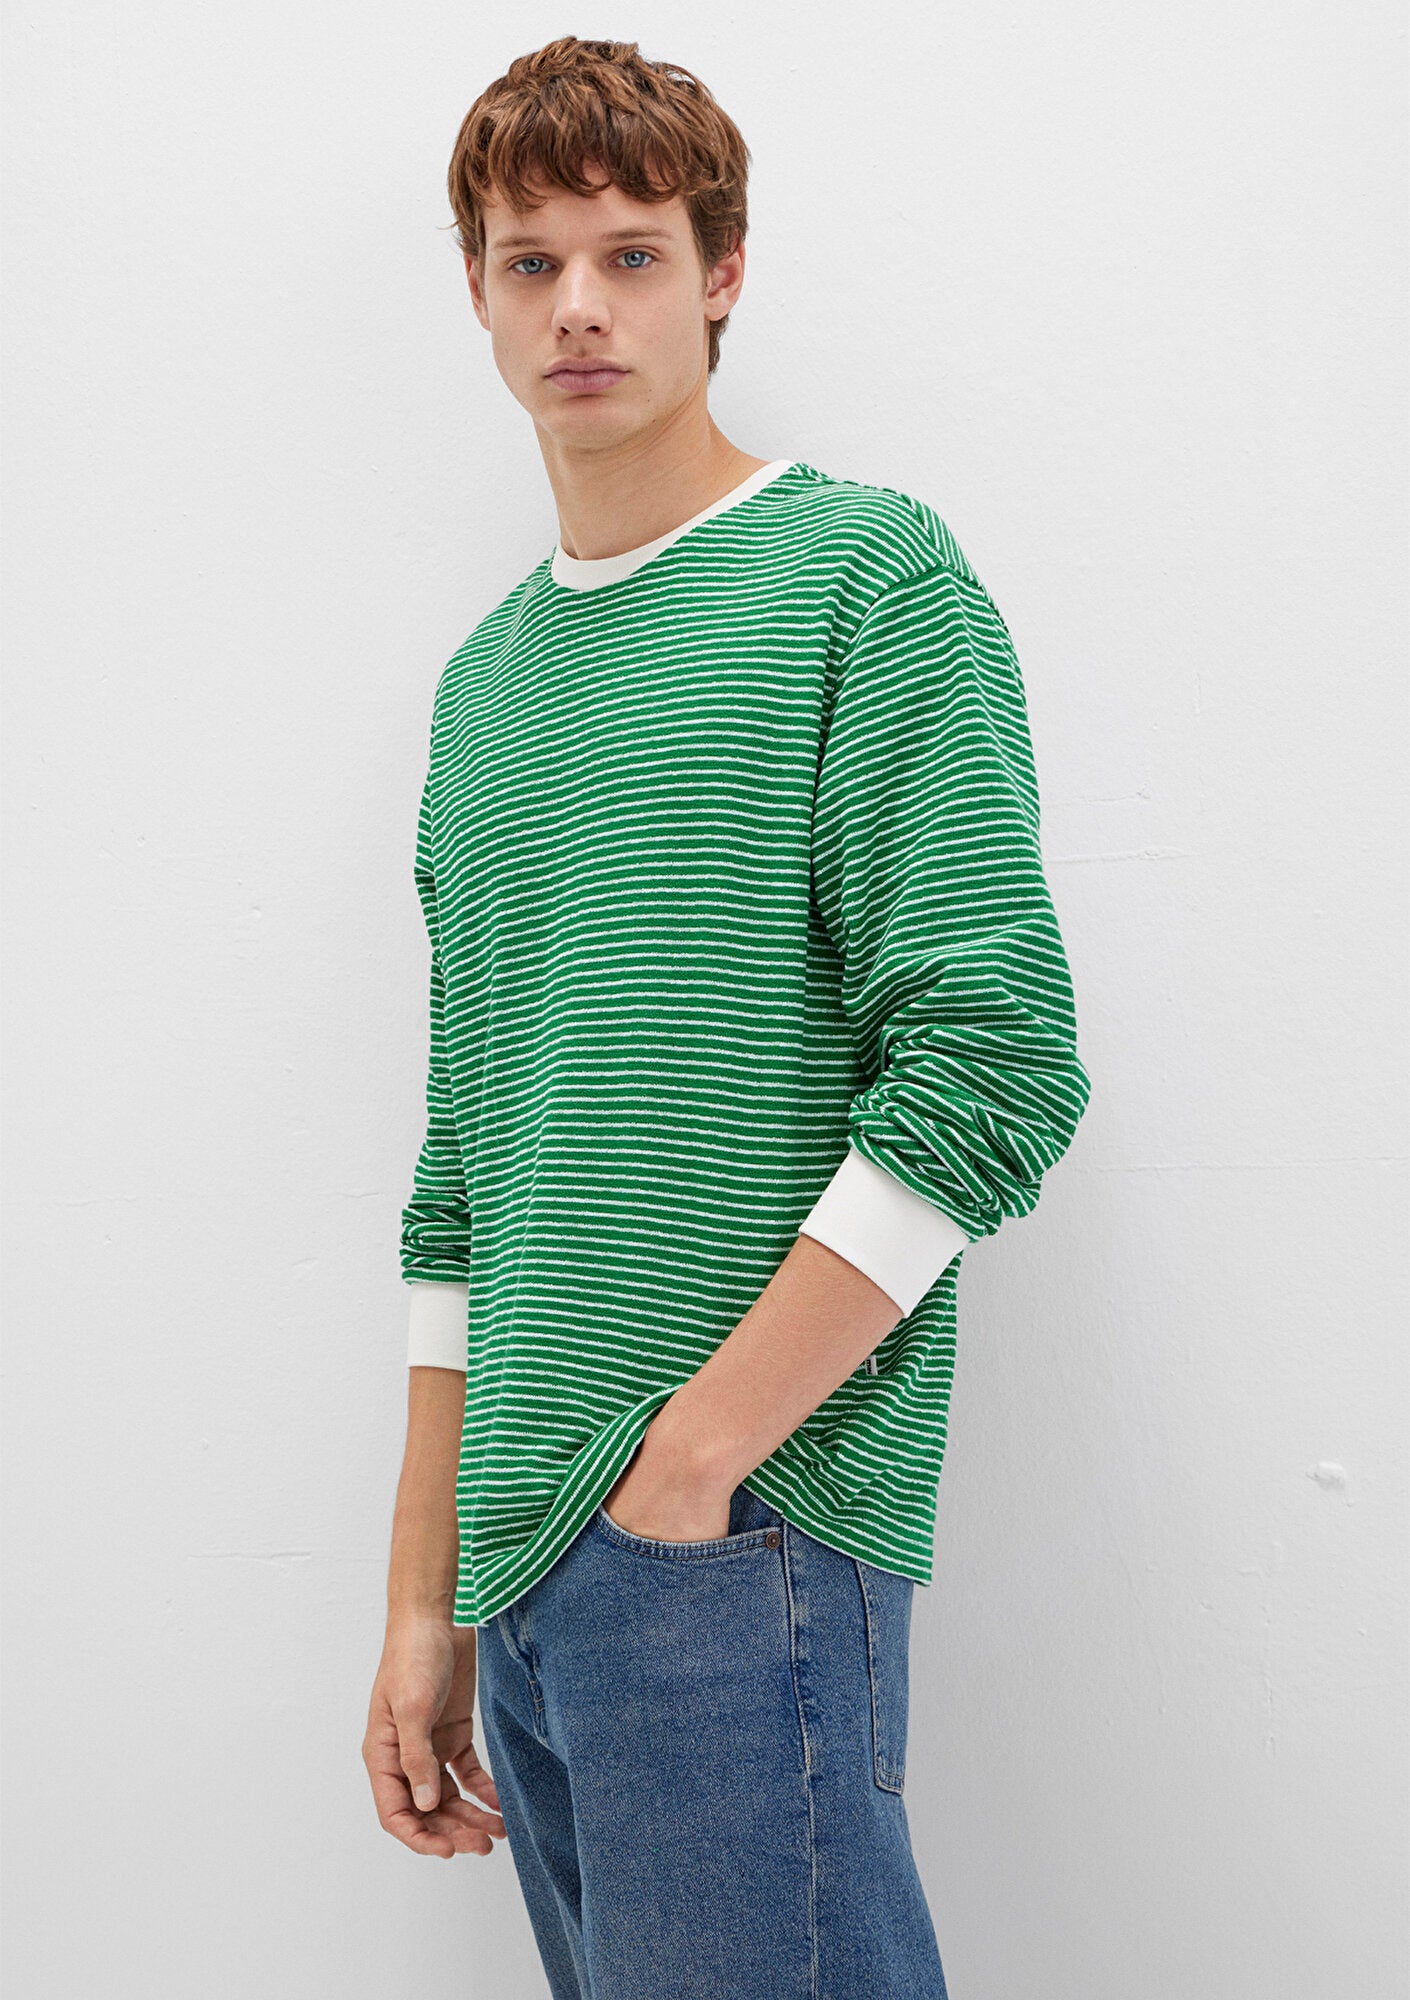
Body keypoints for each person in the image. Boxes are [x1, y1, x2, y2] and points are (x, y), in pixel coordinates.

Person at [362, 34, 1091, 2000]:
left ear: (723, 273)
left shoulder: (860, 577)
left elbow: (994, 1059)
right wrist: (424, 1596)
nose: (579, 308)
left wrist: (694, 1464)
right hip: (527, 1556)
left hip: (736, 1527)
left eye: (631, 255)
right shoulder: (483, 688)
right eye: (531, 263)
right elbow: (464, 1175)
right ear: (478, 292)